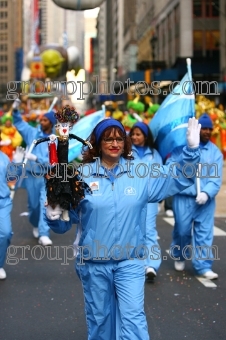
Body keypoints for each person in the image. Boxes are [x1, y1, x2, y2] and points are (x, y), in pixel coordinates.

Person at [45, 117, 201, 339]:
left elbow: (175, 178)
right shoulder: (81, 175)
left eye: (119, 138)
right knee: (100, 322)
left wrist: (191, 151)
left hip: (130, 260)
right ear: (98, 143)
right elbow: (64, 224)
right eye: (108, 139)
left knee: (133, 318)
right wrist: (53, 215)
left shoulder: (140, 173)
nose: (114, 143)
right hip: (93, 262)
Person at [167, 113, 223, 280]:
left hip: (205, 201)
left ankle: (203, 266)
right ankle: (179, 254)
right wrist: (187, 161)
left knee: (204, 234)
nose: (206, 131)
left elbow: (216, 177)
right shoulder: (180, 148)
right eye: (203, 128)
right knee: (182, 231)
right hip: (184, 197)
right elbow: (170, 167)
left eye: (209, 129)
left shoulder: (215, 153)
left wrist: (207, 193)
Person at [12, 99, 57, 246]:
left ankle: (44, 233)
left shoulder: (54, 140)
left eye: (45, 120)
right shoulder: (32, 133)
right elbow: (19, 123)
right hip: (32, 175)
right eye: (41, 119)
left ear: (51, 123)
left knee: (45, 204)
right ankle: (36, 223)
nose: (42, 121)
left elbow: (53, 162)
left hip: (47, 176)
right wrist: (15, 110)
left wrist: (37, 158)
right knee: (33, 206)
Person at [129, 122, 162, 281]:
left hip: (149, 199)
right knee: (133, 230)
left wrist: (158, 194)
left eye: (138, 134)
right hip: (130, 199)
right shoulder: (126, 152)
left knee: (149, 230)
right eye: (133, 134)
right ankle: (137, 262)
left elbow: (160, 175)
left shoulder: (155, 155)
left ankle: (152, 265)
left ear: (145, 136)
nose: (135, 137)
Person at [0, 131, 25, 280]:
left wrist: (17, 162)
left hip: (2, 201)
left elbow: (11, 177)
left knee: (5, 233)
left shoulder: (3, 158)